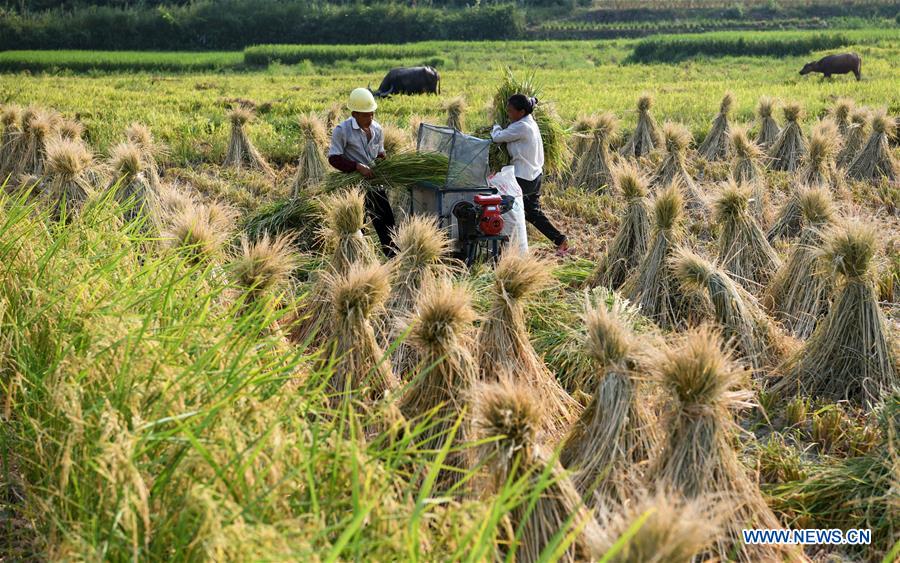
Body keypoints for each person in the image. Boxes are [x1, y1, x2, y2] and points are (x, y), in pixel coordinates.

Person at [491, 94, 570, 256]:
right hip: (534, 175)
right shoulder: (529, 121)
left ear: (521, 111)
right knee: (531, 212)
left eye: (510, 110)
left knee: (507, 208)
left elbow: (497, 137)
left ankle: (506, 248)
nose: (508, 113)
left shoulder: (521, 127)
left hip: (523, 177)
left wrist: (496, 126)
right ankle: (559, 240)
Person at [327, 87, 396, 257]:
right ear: (354, 114)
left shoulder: (377, 129)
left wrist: (383, 163)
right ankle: (358, 260)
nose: (370, 118)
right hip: (354, 188)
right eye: (366, 115)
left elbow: (380, 153)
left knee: (387, 222)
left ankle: (394, 258)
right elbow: (334, 158)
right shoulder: (342, 131)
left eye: (372, 113)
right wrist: (357, 166)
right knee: (358, 225)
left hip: (374, 183)